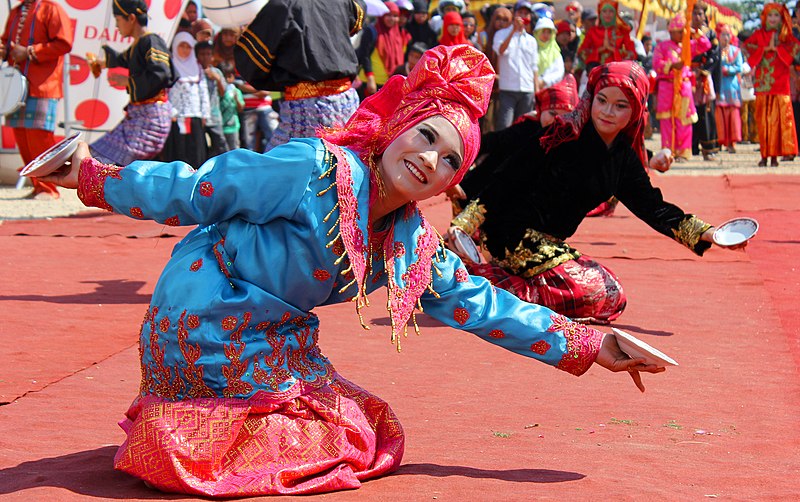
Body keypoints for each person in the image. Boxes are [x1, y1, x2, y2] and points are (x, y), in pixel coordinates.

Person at [36, 45, 663, 497]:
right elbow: (198, 188)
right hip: (203, 305)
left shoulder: (408, 239)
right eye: (425, 137)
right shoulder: (311, 169)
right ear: (396, 127)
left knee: (367, 432)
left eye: (449, 160)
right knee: (327, 441)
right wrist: (92, 177)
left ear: (454, 180)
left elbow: (480, 302)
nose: (429, 161)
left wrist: (591, 344)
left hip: (278, 333)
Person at [447, 61, 739, 325]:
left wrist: (709, 234)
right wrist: (464, 225)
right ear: (591, 99)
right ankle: (480, 286)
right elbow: (507, 176)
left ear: (636, 109)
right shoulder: (561, 134)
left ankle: (493, 290)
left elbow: (653, 207)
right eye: (602, 100)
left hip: (547, 245)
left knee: (612, 295)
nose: (608, 112)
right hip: (509, 234)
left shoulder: (623, 158)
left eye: (620, 105)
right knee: (590, 291)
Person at [236, 0, 367, 151]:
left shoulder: (283, 5)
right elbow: (358, 14)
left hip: (307, 107)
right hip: (347, 101)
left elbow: (250, 61)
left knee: (279, 166)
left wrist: (280, 78)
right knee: (349, 159)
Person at [87, 0, 176, 167]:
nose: (116, 25)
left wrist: (128, 81)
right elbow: (121, 59)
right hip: (139, 117)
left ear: (132, 18)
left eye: (118, 19)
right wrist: (100, 63)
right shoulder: (139, 45)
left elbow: (161, 73)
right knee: (95, 156)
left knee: (103, 161)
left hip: (150, 118)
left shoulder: (151, 41)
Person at [0, 0, 73, 200]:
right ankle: (38, 186)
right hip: (17, 87)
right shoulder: (17, 11)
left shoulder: (52, 9)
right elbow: (6, 42)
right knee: (22, 137)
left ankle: (50, 189)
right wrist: (5, 50)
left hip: (43, 85)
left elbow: (64, 42)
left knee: (39, 138)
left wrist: (30, 51)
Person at [744, 3, 800, 167]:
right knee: (763, 120)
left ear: (781, 18)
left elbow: (795, 47)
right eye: (770, 16)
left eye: (776, 16)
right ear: (765, 17)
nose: (773, 19)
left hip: (781, 82)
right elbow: (747, 47)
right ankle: (764, 154)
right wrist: (765, 49)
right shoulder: (759, 34)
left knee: (778, 120)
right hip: (763, 83)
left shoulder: (785, 35)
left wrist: (777, 50)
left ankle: (775, 155)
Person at [653, 14, 711, 161]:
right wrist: (672, 66)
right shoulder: (662, 46)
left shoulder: (688, 45)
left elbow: (706, 45)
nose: (682, 34)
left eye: (683, 31)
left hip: (684, 87)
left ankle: (683, 154)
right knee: (667, 120)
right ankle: (668, 152)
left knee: (684, 121)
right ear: (671, 31)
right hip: (667, 86)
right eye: (679, 31)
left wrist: (694, 32)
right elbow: (657, 64)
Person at [160, 32, 210, 168]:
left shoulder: (197, 68)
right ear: (175, 46)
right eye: (181, 46)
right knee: (178, 151)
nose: (185, 50)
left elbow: (203, 91)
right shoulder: (169, 68)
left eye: (188, 47)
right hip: (176, 117)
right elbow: (163, 91)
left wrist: (205, 114)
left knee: (195, 151)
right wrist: (171, 111)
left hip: (195, 116)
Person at [493, 1, 539, 130]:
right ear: (514, 14)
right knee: (504, 125)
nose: (523, 16)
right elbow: (500, 50)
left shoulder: (531, 40)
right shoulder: (501, 34)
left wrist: (537, 91)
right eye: (520, 12)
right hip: (508, 89)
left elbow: (534, 67)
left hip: (527, 89)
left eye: (526, 13)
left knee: (523, 127)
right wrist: (513, 31)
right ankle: (501, 150)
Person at [690, 1, 721, 161]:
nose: (697, 17)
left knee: (705, 112)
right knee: (688, 111)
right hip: (687, 76)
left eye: (700, 14)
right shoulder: (683, 32)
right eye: (694, 13)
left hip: (703, 77)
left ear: (704, 16)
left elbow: (715, 55)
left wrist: (702, 71)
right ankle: (689, 148)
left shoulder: (710, 34)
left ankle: (709, 149)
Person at [357, 2, 409, 98]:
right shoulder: (372, 31)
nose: (392, 19)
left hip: (388, 84)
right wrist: (370, 78)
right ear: (382, 16)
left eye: (395, 16)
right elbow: (364, 55)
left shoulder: (399, 34)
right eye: (388, 15)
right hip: (371, 83)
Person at [576, 0, 636, 76]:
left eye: (611, 11)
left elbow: (632, 54)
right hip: (596, 73)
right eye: (604, 11)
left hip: (618, 73)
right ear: (600, 13)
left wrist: (613, 50)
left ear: (615, 13)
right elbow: (582, 52)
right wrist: (599, 50)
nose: (607, 14)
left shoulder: (622, 32)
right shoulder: (592, 32)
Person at [196, 41, 228, 157]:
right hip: (199, 117)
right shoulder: (194, 72)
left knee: (220, 146)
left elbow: (223, 92)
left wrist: (218, 79)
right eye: (202, 54)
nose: (206, 57)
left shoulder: (216, 72)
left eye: (208, 54)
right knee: (201, 149)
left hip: (214, 116)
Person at [715, 24, 743, 154]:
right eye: (723, 34)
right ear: (718, 36)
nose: (725, 37)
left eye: (727, 34)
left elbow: (740, 67)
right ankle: (720, 142)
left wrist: (728, 70)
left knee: (733, 116)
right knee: (720, 116)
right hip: (719, 87)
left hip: (732, 88)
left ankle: (732, 143)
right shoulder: (716, 51)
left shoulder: (736, 51)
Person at [218, 62, 244, 150]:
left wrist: (236, 98)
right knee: (222, 150)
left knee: (234, 149)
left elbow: (241, 109)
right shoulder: (218, 92)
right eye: (225, 77)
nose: (227, 80)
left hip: (233, 127)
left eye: (230, 76)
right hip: (221, 127)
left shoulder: (236, 91)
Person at [534, 17, 564, 89]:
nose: (546, 35)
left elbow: (559, 72)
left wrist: (544, 81)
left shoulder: (555, 52)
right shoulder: (531, 48)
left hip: (550, 91)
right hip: (531, 89)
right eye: (543, 32)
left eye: (549, 32)